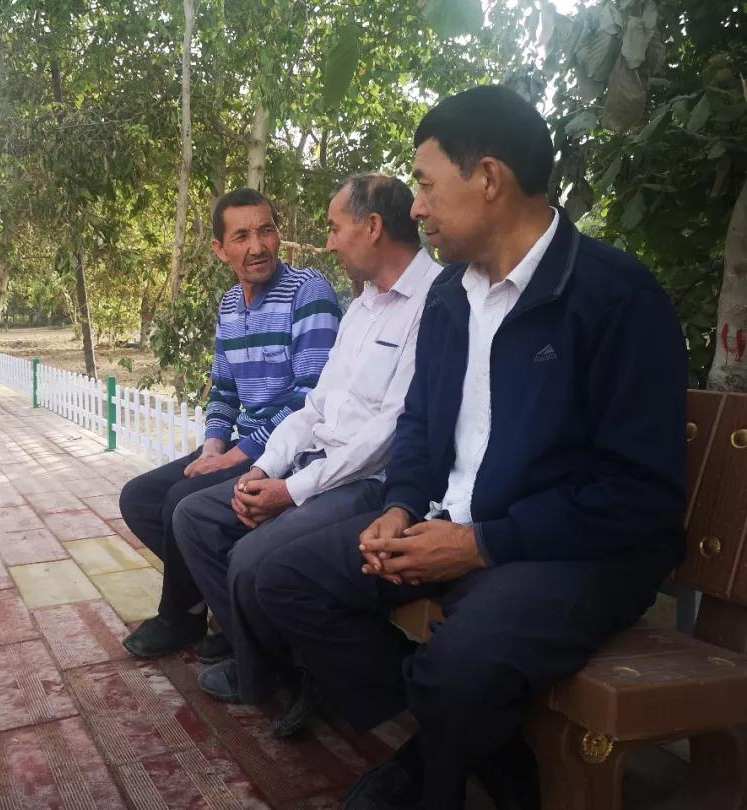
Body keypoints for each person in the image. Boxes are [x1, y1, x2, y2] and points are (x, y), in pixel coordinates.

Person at [254, 85, 687, 810]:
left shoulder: (614, 297)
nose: (416, 207)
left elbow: (641, 497)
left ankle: (439, 756)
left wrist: (481, 544)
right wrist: (399, 507)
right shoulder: (451, 295)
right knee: (287, 581)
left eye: (426, 185)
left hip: (574, 553)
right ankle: (467, 745)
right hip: (450, 523)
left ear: (488, 178)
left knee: (455, 667)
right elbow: (420, 426)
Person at [172, 175, 440, 733]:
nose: (328, 242)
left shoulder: (433, 304)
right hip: (312, 463)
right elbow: (315, 405)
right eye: (241, 236)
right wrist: (264, 469)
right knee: (194, 514)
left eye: (335, 228)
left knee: (254, 560)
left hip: (369, 482)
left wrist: (290, 491)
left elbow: (390, 434)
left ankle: (300, 670)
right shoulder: (365, 306)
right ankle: (274, 662)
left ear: (371, 227)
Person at [118, 187, 342, 662]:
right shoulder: (229, 306)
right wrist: (213, 449)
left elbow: (313, 395)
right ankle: (211, 602)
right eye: (241, 237)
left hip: (293, 451)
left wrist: (239, 454)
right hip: (246, 445)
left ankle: (199, 622)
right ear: (221, 250)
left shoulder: (308, 291)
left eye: (266, 230)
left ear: (279, 234)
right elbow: (223, 391)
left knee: (182, 502)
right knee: (140, 497)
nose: (257, 246)